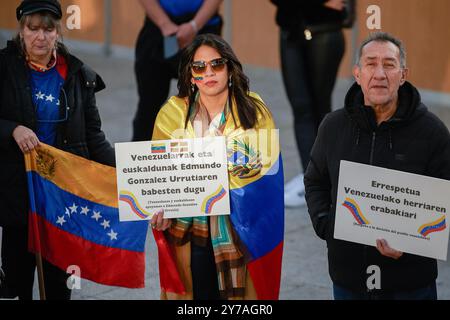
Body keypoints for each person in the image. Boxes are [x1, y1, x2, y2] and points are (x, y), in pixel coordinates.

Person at [304, 32, 450, 300]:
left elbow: (445, 199)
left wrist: (413, 244)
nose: (380, 74)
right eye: (371, 64)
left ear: (403, 75)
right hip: (348, 280)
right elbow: (315, 181)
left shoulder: (433, 133)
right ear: (357, 74)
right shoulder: (333, 126)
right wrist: (326, 224)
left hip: (410, 284)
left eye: (389, 64)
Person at [150, 34, 285, 300]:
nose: (209, 72)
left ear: (230, 69)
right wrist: (158, 206)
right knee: (197, 296)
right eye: (199, 67)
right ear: (190, 75)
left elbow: (263, 172)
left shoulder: (254, 109)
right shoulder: (172, 112)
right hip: (189, 230)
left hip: (240, 227)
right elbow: (159, 176)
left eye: (217, 64)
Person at [0, 0, 115, 300]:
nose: (40, 36)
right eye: (33, 28)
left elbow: (94, 138)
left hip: (62, 198)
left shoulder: (79, 74)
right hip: (18, 193)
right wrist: (12, 128)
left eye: (48, 29)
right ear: (21, 30)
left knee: (59, 287)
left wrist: (131, 170)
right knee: (16, 284)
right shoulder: (3, 67)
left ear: (58, 32)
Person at [270, 0, 354, 207]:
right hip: (290, 30)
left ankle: (322, 179)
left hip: (324, 31)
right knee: (301, 108)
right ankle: (308, 176)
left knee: (319, 108)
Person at [132, 0, 223, 142]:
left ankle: (206, 156)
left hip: (203, 28)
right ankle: (139, 159)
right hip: (159, 29)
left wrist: (194, 26)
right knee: (148, 104)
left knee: (205, 103)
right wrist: (164, 24)